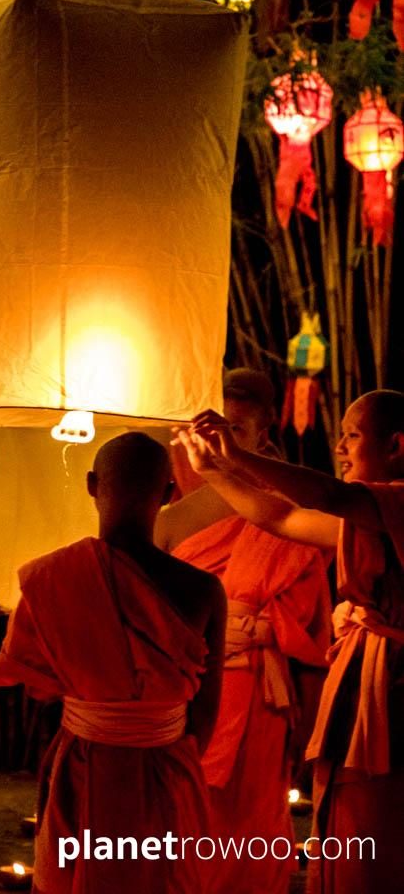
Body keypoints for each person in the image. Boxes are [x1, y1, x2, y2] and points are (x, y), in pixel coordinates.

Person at [181, 389, 404, 894]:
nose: (341, 448)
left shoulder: (396, 502)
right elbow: (281, 518)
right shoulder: (366, 519)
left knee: (381, 822)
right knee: (350, 817)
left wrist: (238, 457)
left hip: (395, 687)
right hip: (363, 682)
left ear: (395, 445)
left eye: (352, 435)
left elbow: (329, 496)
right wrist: (216, 471)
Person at [0, 432, 226, 894]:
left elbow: (39, 687)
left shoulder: (52, 578)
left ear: (92, 485)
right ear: (169, 493)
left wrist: (98, 708)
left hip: (82, 764)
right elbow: (206, 711)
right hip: (167, 767)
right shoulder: (203, 590)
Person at [154, 370, 332, 894]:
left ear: (262, 435)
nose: (219, 442)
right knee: (186, 813)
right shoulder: (172, 518)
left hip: (258, 692)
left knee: (251, 815)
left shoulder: (291, 508)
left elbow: (311, 624)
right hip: (187, 685)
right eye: (210, 430)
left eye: (234, 429)